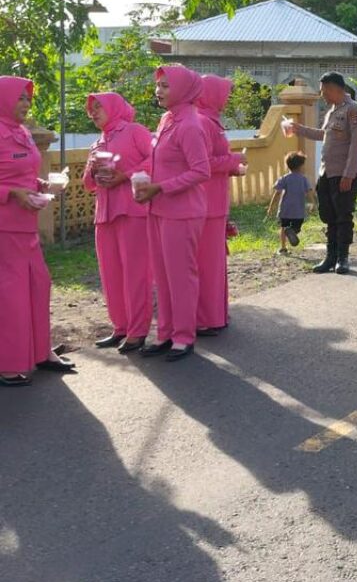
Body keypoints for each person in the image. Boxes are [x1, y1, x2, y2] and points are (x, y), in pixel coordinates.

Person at [0, 77, 76, 386]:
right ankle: (8, 364)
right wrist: (12, 194)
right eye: (19, 98)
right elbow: (10, 183)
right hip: (5, 228)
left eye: (28, 99)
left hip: (26, 227)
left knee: (39, 286)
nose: (26, 104)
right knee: (12, 297)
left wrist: (44, 185)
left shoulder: (21, 132)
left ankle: (40, 352)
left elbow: (25, 174)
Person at [134, 65, 211, 362]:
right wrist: (144, 184)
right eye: (159, 85)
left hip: (182, 212)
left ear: (182, 89)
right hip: (159, 209)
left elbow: (201, 171)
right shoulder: (167, 119)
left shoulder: (190, 124)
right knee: (163, 276)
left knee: (180, 276)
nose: (159, 91)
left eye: (166, 86)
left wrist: (161, 188)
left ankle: (183, 336)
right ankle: (165, 333)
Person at [82, 92, 155, 353]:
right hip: (104, 215)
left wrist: (124, 175)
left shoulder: (135, 131)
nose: (94, 112)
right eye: (91, 109)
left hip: (133, 210)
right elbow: (88, 185)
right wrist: (93, 172)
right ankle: (120, 326)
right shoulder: (97, 143)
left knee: (136, 273)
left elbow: (155, 160)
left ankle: (137, 331)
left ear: (114, 107)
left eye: (99, 106)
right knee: (110, 274)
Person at [287, 72, 357, 275]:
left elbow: (355, 145)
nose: (322, 95)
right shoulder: (331, 112)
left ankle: (342, 258)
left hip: (344, 173)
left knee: (343, 216)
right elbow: (325, 135)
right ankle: (330, 257)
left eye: (324, 91)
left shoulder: (353, 111)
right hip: (327, 173)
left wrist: (348, 175)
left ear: (334, 89)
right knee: (328, 216)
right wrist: (299, 129)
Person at [195, 75, 247, 336]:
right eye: (223, 93)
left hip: (215, 201)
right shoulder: (203, 122)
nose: (226, 99)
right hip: (204, 203)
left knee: (215, 263)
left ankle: (215, 314)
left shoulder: (210, 120)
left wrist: (232, 167)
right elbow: (204, 163)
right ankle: (204, 317)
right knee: (206, 263)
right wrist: (235, 159)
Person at [269, 152, 314, 253]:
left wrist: (271, 207)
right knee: (296, 228)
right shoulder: (303, 179)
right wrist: (313, 203)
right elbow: (309, 192)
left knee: (283, 228)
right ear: (300, 166)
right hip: (298, 211)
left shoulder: (284, 178)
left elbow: (277, 193)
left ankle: (283, 247)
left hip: (285, 210)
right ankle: (293, 231)